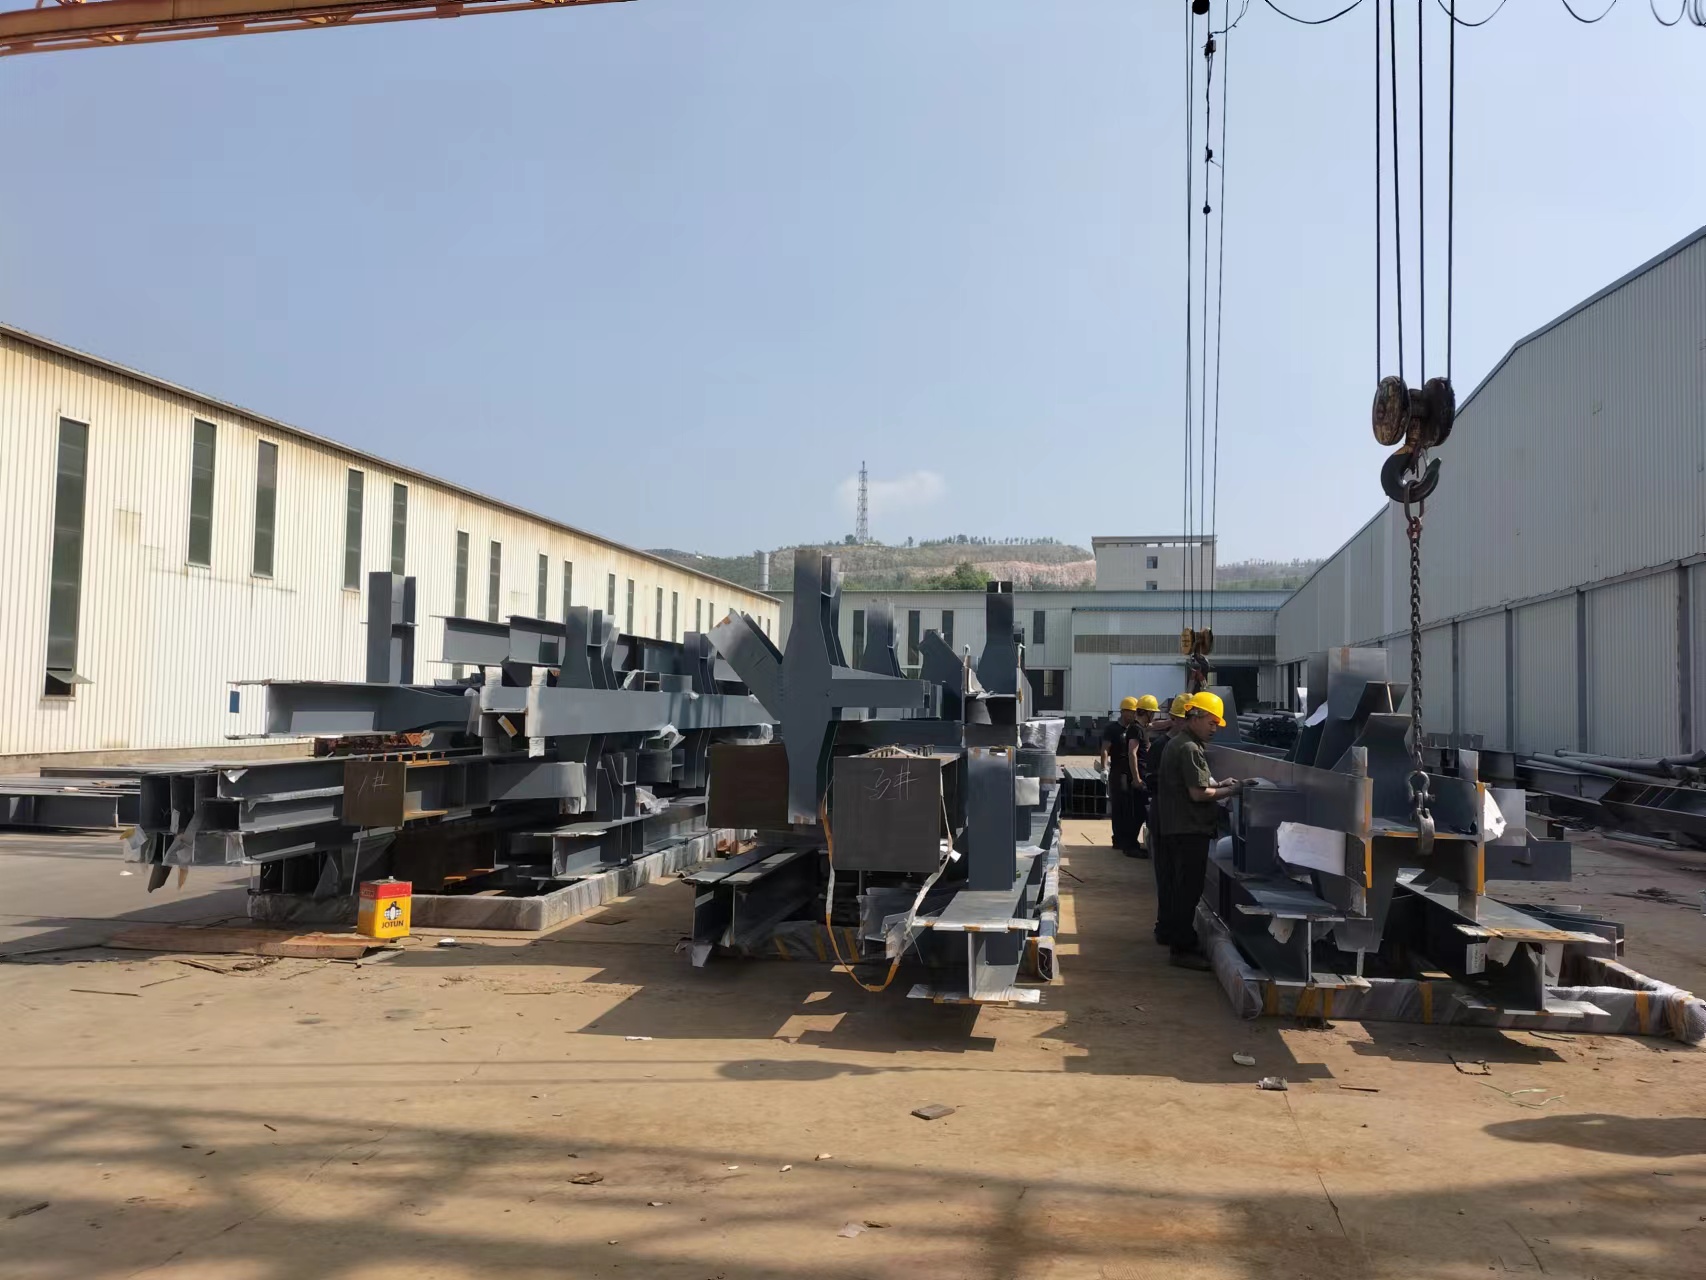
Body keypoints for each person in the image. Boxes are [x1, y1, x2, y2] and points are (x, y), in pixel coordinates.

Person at [1154, 690, 1244, 970]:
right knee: (1188, 890)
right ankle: (1182, 949)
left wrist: (1219, 784)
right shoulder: (1190, 749)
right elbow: (1198, 793)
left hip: (1177, 827)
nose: (1214, 728)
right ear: (1195, 717)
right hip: (1189, 828)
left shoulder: (1179, 743)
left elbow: (1194, 784)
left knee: (1179, 886)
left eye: (1217, 724)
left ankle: (1175, 935)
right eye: (1211, 722)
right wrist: (1234, 790)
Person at [1099, 696, 1145, 855]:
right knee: (1119, 805)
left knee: (1129, 806)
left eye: (1135, 712)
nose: (1133, 714)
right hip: (1118, 771)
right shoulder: (1112, 729)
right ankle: (1118, 839)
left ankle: (1128, 838)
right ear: (1123, 712)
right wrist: (1104, 768)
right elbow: (1105, 749)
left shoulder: (1134, 729)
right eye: (1131, 711)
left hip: (1130, 771)